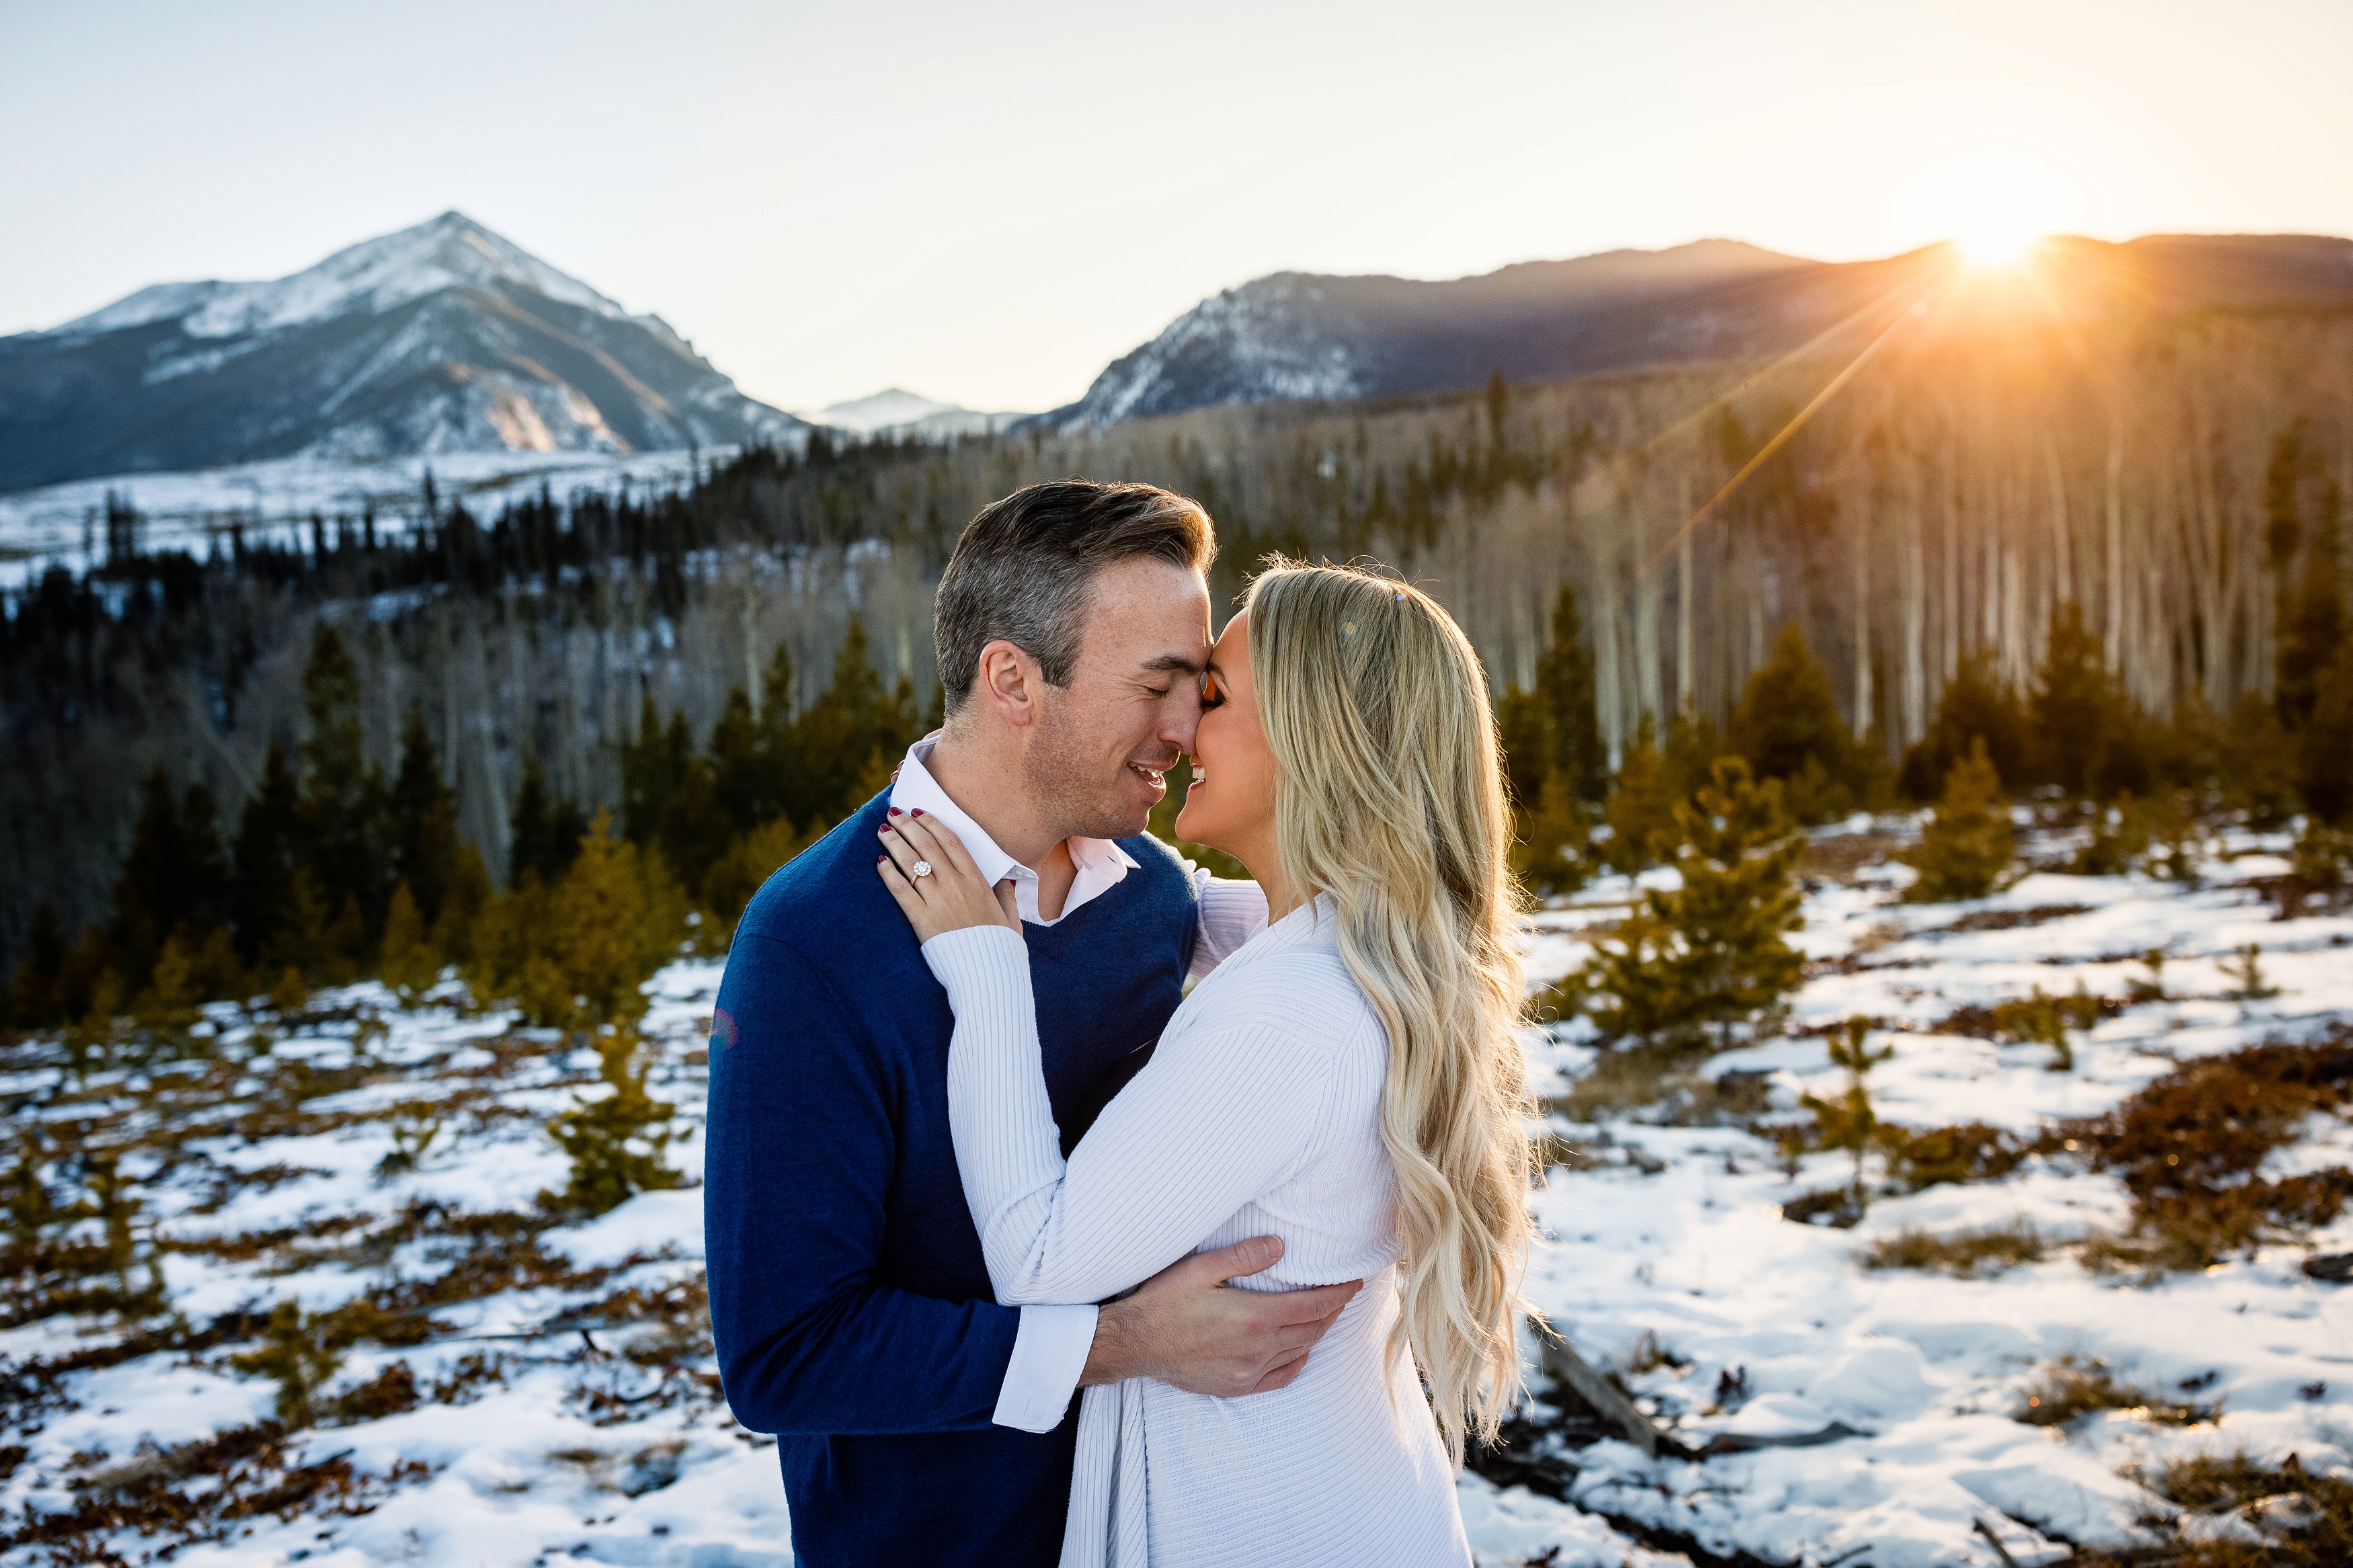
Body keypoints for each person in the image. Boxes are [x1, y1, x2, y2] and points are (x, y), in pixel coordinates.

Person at [704, 484, 1363, 1568]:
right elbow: (784, 1354)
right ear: (1011, 678)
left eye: (1199, 690)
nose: (1184, 729)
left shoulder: (1155, 894)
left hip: (1159, 1524)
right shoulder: (813, 940)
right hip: (935, 1543)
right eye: (1156, 686)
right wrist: (1119, 1346)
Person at [877, 560, 1536, 1567]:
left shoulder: (1289, 1010)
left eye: (1216, 696)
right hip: (1343, 1498)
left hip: (1260, 1521)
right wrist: (1129, 874)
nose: (1180, 727)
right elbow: (1241, 927)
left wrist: (988, 965)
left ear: (1322, 741)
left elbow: (1041, 1260)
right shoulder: (1376, 955)